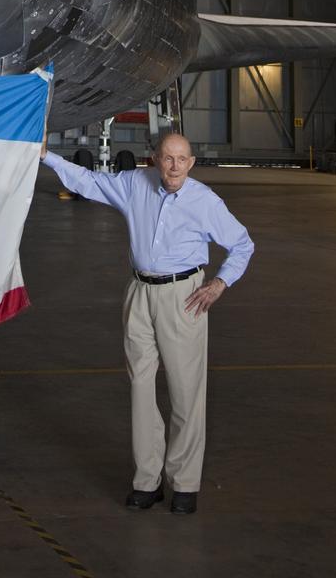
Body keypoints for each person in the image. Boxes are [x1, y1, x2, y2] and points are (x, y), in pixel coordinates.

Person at [41, 129, 253, 516]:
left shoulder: (204, 201)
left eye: (181, 160)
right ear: (154, 159)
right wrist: (48, 157)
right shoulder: (134, 184)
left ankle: (185, 484)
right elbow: (89, 183)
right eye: (167, 158)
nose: (173, 167)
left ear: (191, 163)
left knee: (185, 391)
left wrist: (221, 282)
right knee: (140, 387)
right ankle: (147, 481)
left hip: (182, 297)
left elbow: (242, 244)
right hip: (139, 294)